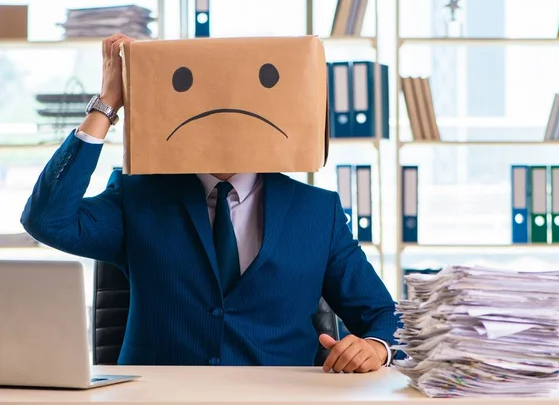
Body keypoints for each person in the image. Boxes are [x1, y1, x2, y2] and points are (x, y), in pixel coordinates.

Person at [21, 33, 400, 374]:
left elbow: (384, 316)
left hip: (278, 398)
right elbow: (47, 220)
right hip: (159, 399)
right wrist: (106, 105)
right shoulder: (138, 196)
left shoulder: (318, 211)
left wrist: (375, 347)